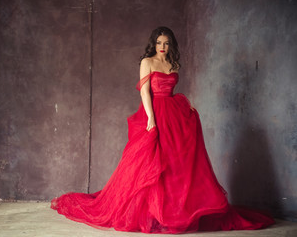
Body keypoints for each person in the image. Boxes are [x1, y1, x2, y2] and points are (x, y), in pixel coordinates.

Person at [51, 26, 275, 234]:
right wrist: (150, 118)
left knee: (175, 163)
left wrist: (185, 104)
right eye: (159, 42)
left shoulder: (174, 65)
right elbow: (145, 92)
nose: (163, 46)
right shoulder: (147, 62)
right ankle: (151, 214)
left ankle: (173, 212)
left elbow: (171, 90)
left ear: (171, 45)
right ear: (154, 44)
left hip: (174, 116)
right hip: (155, 113)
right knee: (151, 163)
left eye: (167, 43)